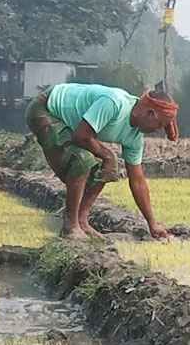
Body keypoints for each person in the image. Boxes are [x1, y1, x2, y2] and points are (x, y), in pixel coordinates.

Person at [26, 83, 177, 240]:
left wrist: (152, 223)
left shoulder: (135, 138)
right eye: (160, 124)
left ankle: (82, 220)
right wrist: (108, 155)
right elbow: (81, 136)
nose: (159, 130)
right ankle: (70, 227)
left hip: (71, 125)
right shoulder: (114, 103)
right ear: (150, 113)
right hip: (46, 108)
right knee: (82, 160)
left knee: (107, 166)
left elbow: (137, 181)